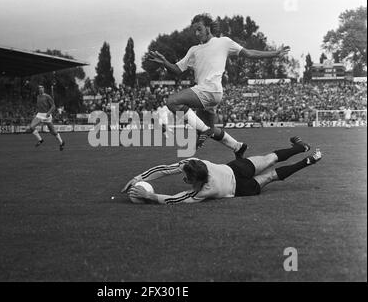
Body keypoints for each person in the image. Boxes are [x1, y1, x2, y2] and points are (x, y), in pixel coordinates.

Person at [148, 13, 290, 156]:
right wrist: (165, 62)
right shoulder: (194, 50)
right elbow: (177, 70)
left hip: (209, 90)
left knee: (172, 101)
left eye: (199, 29)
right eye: (195, 31)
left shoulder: (224, 42)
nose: (197, 33)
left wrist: (275, 54)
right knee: (210, 129)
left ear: (208, 27)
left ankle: (204, 130)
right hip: (207, 94)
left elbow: (249, 53)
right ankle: (238, 146)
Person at [122, 136, 321, 204]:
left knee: (271, 175)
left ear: (197, 181)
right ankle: (301, 149)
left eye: (187, 179)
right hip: (236, 169)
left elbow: (173, 198)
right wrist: (139, 178)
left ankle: (307, 158)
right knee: (270, 159)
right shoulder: (196, 162)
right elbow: (166, 170)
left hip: (241, 187)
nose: (185, 180)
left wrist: (149, 195)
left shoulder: (201, 192)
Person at [28, 85, 65, 151]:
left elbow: (53, 106)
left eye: (42, 88)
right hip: (39, 114)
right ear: (38, 90)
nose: (40, 89)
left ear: (44, 89)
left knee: (53, 132)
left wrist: (49, 113)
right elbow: (38, 106)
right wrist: (35, 113)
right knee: (31, 127)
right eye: (39, 88)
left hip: (46, 115)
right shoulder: (38, 97)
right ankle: (40, 140)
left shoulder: (47, 96)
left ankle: (61, 142)